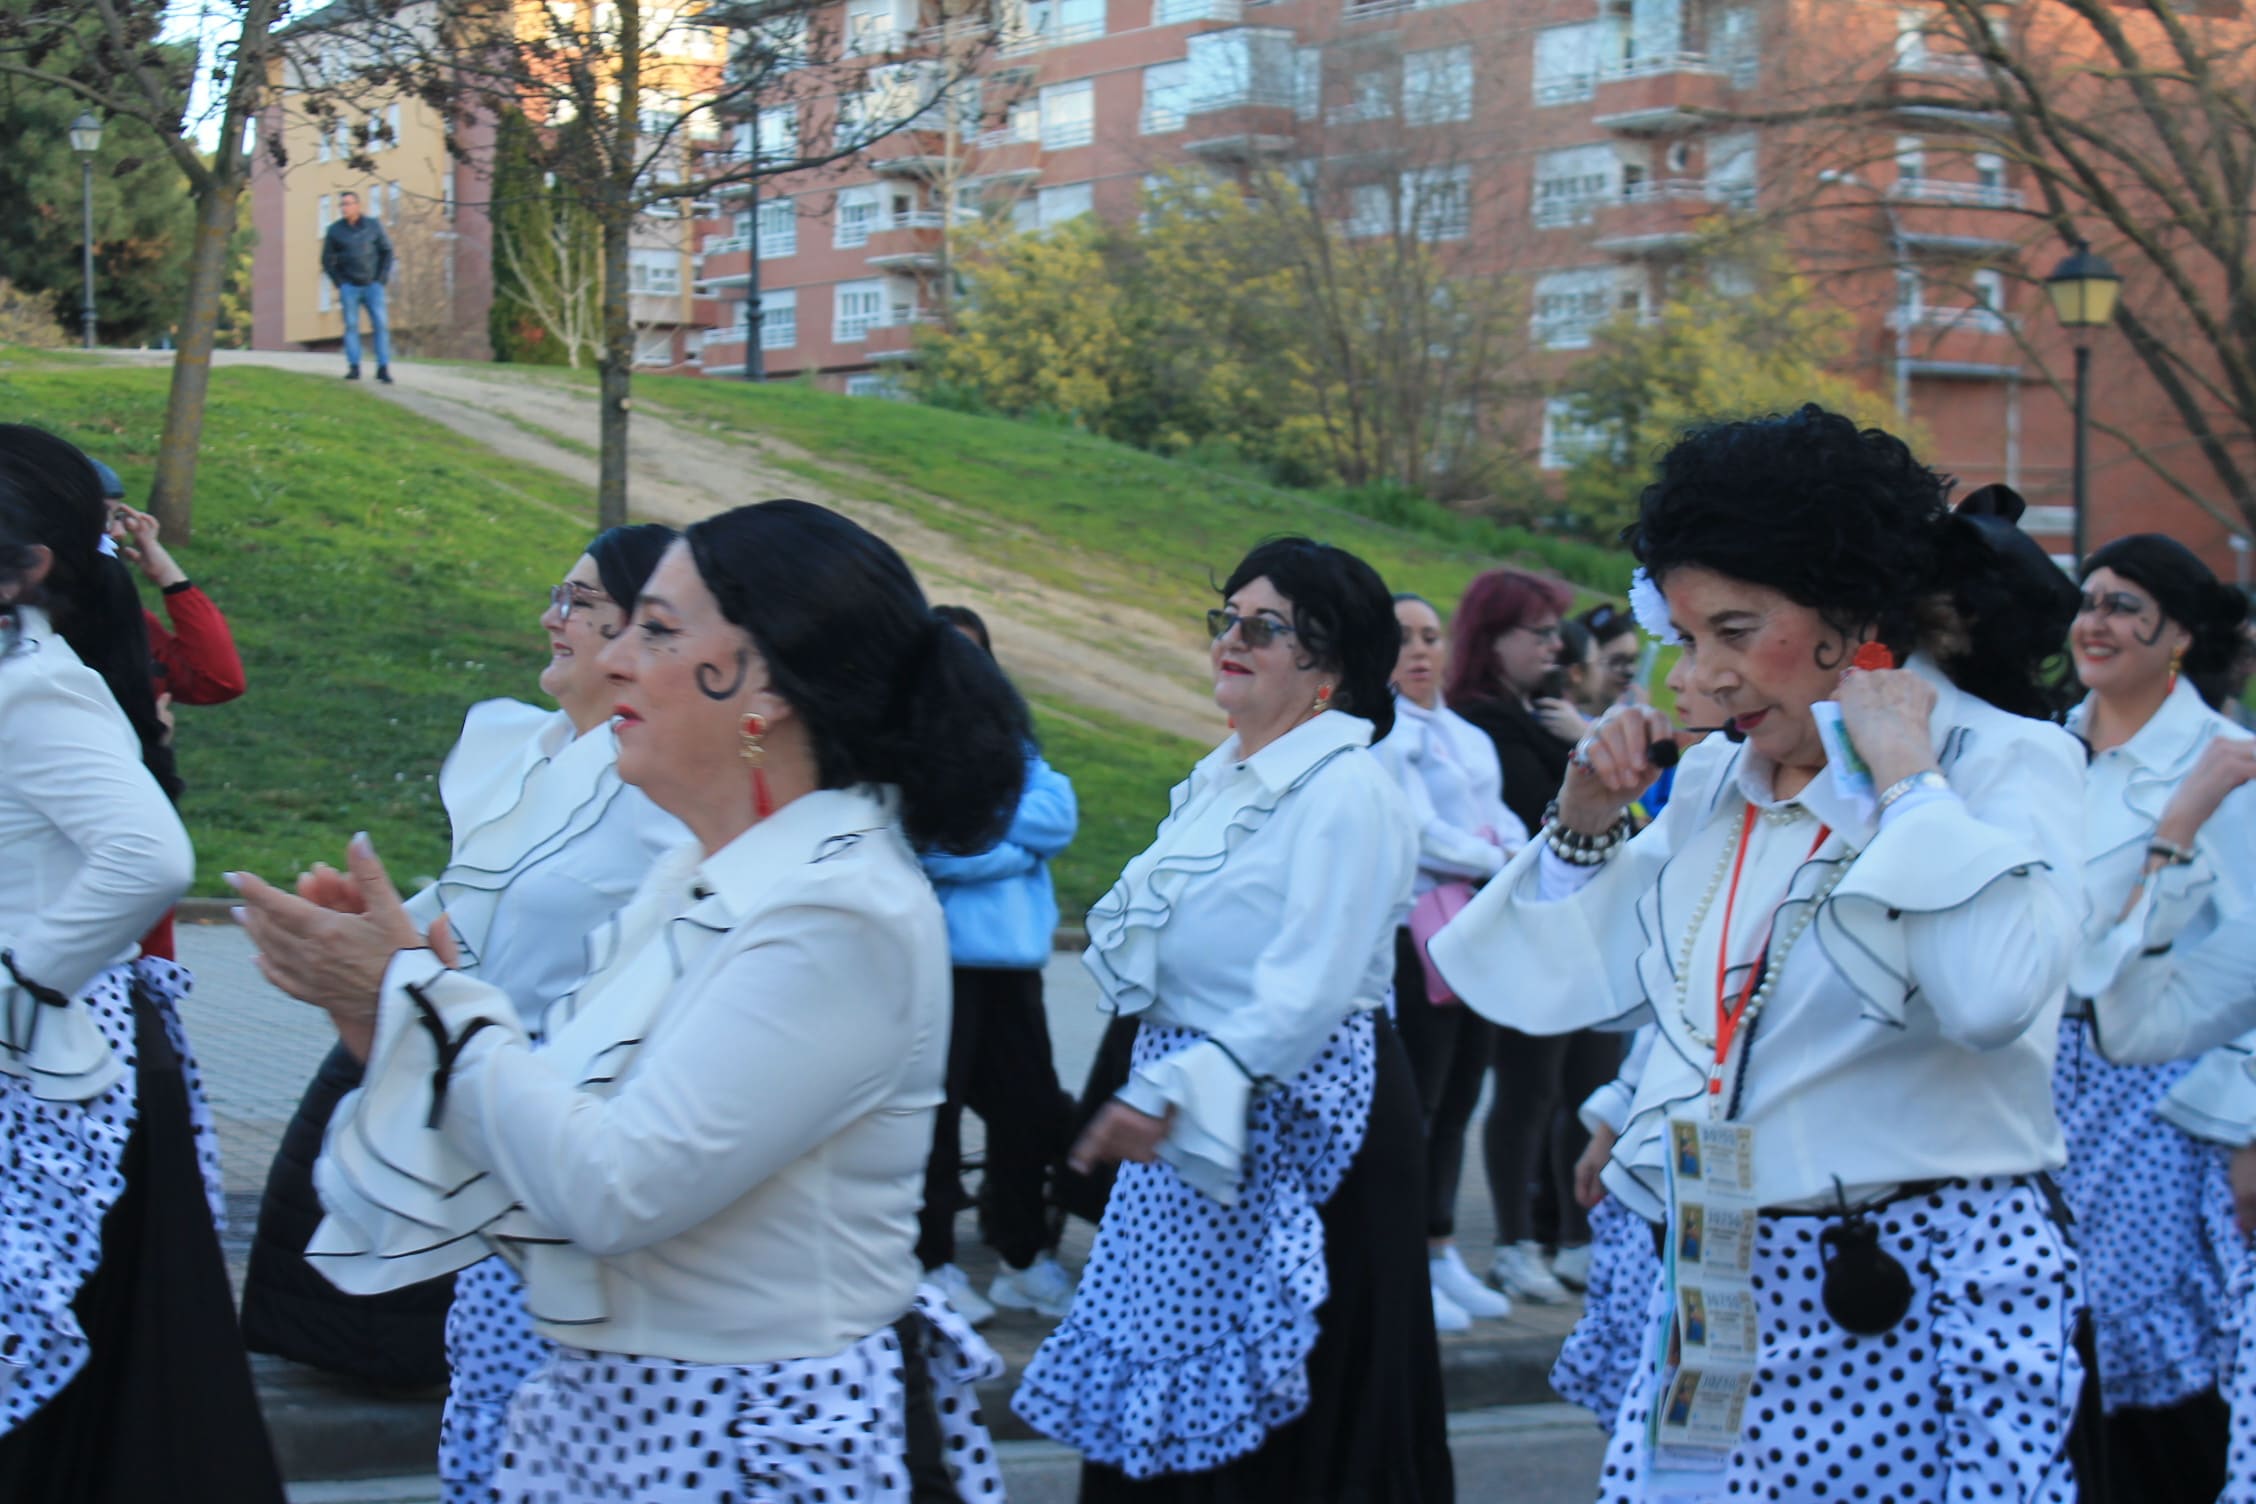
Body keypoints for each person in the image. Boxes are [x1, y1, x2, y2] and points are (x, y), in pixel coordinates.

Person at [234, 499, 1028, 1501]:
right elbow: (545, 1157)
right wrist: (389, 1019)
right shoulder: (713, 874)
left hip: (747, 1443)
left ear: (769, 684)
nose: (615, 660)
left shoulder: (840, 909)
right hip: (636, 1420)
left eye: (656, 630)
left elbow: (615, 1190)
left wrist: (424, 1004)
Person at [1432, 405, 2095, 1501]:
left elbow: (1990, 998)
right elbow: (1618, 982)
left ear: (1855, 620)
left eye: (1738, 632)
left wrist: (1907, 785)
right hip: (1717, 1269)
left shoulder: (2004, 762)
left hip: (1914, 1279)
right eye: (1690, 639)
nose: (1708, 675)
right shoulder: (1713, 779)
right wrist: (1589, 821)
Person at [244, 526, 686, 1494]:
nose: (550, 617)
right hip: (478, 1098)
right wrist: (381, 941)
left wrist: (411, 983)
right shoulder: (530, 752)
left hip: (546, 1119)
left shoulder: (665, 787)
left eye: (576, 601)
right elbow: (479, 899)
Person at [1015, 537, 1452, 1500]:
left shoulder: (1348, 791)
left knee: (1287, 1410)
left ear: (1330, 665)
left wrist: (1174, 1086)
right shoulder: (1220, 782)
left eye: (1266, 627)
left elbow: (1311, 988)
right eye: (1228, 619)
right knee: (1168, 1377)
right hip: (1193, 1111)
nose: (1234, 640)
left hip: (1300, 1119)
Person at [0, 423, 283, 1501]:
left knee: (67, 1392)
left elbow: (150, 854)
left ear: (27, 567)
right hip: (52, 1070)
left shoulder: (37, 685)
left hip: (54, 1087)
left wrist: (23, 983)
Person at [2048, 534, 2256, 1501]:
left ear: (2178, 635)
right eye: (2090, 599)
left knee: (2144, 1344)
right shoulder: (2039, 749)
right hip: (2035, 1092)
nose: (2098, 621)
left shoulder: (2228, 767)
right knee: (2047, 1346)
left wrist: (2243, 1124)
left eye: (2126, 605)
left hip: (2163, 1098)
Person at [917, 602, 1084, 1325]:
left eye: (977, 653)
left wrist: (984, 828)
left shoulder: (1015, 749)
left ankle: (1020, 1257)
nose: (966, 668)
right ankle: (932, 1265)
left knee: (1028, 1111)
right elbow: (928, 844)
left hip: (1014, 968)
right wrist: (1015, 847)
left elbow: (1060, 816)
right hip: (938, 965)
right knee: (938, 1118)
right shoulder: (906, 747)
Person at [1373, 590, 1525, 1334]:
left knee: (1463, 1091)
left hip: (1474, 927)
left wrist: (1510, 849)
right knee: (1419, 1099)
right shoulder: (1382, 734)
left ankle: (1439, 1247)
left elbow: (1501, 814)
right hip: (1415, 930)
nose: (1421, 650)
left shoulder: (1465, 735)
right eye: (1403, 638)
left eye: (1431, 636)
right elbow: (1416, 830)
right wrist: (1496, 855)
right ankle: (1402, 1255)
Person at [1445, 567, 1592, 1303]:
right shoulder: (1478, 722)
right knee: (1526, 1089)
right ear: (1491, 637)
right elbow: (1545, 817)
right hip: (1521, 931)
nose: (1554, 648)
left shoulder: (1540, 714)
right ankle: (1512, 1242)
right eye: (1537, 633)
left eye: (1553, 634)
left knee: (1587, 1085)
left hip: (1575, 931)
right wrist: (1585, 749)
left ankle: (1575, 1237)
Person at [87, 457, 246, 963]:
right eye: (104, 519)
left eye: (117, 519)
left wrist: (168, 575)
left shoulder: (130, 624)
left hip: (138, 836)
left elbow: (217, 679)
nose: (114, 534)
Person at [322, 190, 395, 385]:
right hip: (349, 287)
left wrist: (381, 279)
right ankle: (354, 367)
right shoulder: (335, 231)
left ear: (357, 205)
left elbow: (387, 252)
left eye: (348, 204)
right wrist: (340, 282)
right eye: (342, 205)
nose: (345, 208)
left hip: (373, 285)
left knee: (380, 325)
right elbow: (327, 261)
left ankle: (383, 368)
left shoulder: (373, 226)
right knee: (351, 326)